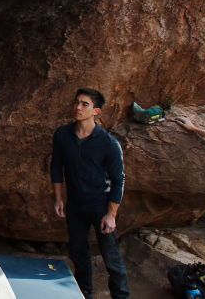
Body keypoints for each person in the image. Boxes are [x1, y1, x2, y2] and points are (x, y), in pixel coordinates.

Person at [50, 88, 129, 299]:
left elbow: (119, 179)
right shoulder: (62, 135)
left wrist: (111, 214)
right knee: (78, 252)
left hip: (100, 204)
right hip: (75, 204)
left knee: (110, 256)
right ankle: (84, 293)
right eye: (76, 102)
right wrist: (58, 198)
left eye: (84, 104)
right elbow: (56, 167)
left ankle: (120, 296)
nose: (78, 107)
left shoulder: (108, 143)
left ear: (96, 111)